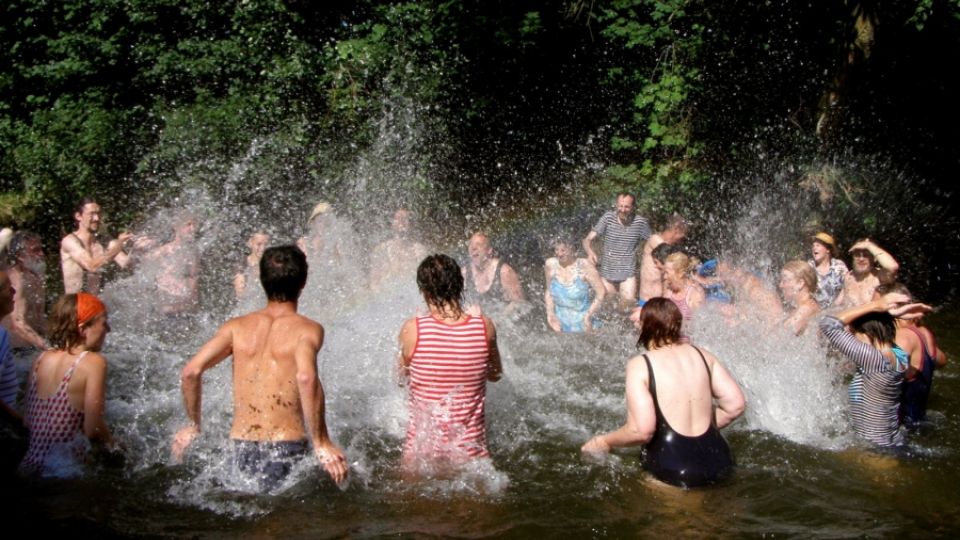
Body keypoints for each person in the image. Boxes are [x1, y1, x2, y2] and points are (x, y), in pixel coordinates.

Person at [173, 245, 347, 490]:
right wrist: (321, 442)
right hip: (286, 445)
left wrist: (193, 425)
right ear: (303, 282)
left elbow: (191, 371)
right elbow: (306, 377)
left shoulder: (235, 327)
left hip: (241, 444)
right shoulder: (308, 329)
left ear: (262, 280)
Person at [581, 298, 745, 488]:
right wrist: (706, 425)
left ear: (644, 326)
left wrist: (604, 441)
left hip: (672, 468)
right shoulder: (703, 354)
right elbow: (736, 405)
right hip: (720, 460)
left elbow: (641, 430)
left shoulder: (640, 365)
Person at [398, 254, 502, 472]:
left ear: (424, 291)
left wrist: (416, 325)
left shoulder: (412, 329)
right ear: (460, 285)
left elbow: (401, 378)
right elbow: (495, 374)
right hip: (470, 459)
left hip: (420, 458)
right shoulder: (485, 327)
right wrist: (479, 323)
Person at [19, 292, 116, 476]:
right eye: (103, 323)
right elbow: (93, 429)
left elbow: (27, 422)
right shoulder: (93, 362)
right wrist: (116, 447)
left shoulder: (40, 359)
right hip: (64, 473)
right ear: (82, 329)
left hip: (28, 467)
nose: (108, 329)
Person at [818, 292, 929, 447]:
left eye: (854, 335)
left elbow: (827, 324)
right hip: (893, 442)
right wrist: (887, 314)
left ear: (868, 334)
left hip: (875, 450)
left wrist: (875, 306)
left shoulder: (874, 359)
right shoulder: (899, 355)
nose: (852, 339)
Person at [875, 283, 948, 425]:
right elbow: (941, 360)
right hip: (917, 419)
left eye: (877, 304)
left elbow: (897, 361)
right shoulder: (923, 332)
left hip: (898, 427)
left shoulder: (902, 336)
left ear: (894, 308)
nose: (872, 310)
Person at [582, 193, 651, 311]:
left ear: (633, 207)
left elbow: (653, 242)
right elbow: (587, 240)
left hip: (627, 274)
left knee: (627, 306)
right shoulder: (608, 218)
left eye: (627, 207)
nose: (623, 210)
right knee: (608, 308)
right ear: (616, 205)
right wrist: (590, 252)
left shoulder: (640, 222)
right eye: (620, 206)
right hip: (607, 273)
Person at [140, 213, 200, 315]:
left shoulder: (193, 253)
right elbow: (141, 272)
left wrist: (194, 306)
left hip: (186, 311)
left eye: (194, 225)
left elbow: (193, 279)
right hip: (166, 311)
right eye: (188, 225)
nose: (192, 228)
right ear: (176, 227)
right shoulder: (163, 252)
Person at [543, 237, 605, 333]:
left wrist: (588, 316)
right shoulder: (550, 264)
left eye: (563, 250)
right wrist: (550, 315)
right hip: (559, 323)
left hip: (584, 322)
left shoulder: (584, 266)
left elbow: (601, 293)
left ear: (572, 249)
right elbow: (549, 291)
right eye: (556, 250)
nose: (559, 254)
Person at [462, 232, 526, 317]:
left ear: (489, 250)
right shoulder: (464, 273)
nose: (473, 248)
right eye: (470, 245)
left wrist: (497, 319)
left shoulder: (504, 272)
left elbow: (519, 302)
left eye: (479, 244)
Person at [2, 231, 47, 349]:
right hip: (13, 351)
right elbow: (18, 323)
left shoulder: (36, 277)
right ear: (19, 255)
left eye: (41, 249)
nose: (41, 254)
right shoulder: (15, 279)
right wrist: (48, 348)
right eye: (35, 250)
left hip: (31, 347)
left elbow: (40, 319)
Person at [369, 208, 430, 291]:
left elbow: (427, 282)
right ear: (392, 223)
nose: (402, 222)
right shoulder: (381, 250)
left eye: (405, 219)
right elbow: (374, 283)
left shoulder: (419, 250)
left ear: (411, 224)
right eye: (398, 218)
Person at [834, 238, 899, 308]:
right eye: (857, 255)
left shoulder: (880, 276)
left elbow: (893, 267)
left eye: (866, 255)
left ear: (875, 258)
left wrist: (868, 245)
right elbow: (836, 305)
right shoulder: (849, 276)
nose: (861, 259)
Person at [639, 215, 687, 302]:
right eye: (682, 235)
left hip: (663, 302)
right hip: (648, 301)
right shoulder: (654, 240)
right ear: (676, 230)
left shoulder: (671, 247)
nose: (682, 239)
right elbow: (666, 254)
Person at [661, 252, 705, 324]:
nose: (664, 277)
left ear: (680, 273)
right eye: (664, 273)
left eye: (667, 272)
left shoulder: (695, 293)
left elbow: (701, 325)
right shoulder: (668, 291)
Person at [779, 260, 820, 335]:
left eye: (784, 281)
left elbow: (781, 337)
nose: (780, 285)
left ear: (800, 283)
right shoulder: (800, 307)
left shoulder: (807, 309)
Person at [808, 232, 848, 308]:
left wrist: (835, 305)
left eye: (818, 245)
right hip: (815, 311)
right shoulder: (809, 267)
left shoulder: (838, 265)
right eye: (813, 246)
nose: (814, 248)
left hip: (838, 309)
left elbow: (847, 286)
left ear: (828, 250)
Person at [233, 231, 269, 300]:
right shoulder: (242, 265)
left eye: (266, 244)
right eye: (258, 244)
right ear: (250, 243)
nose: (263, 248)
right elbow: (240, 294)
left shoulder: (273, 264)